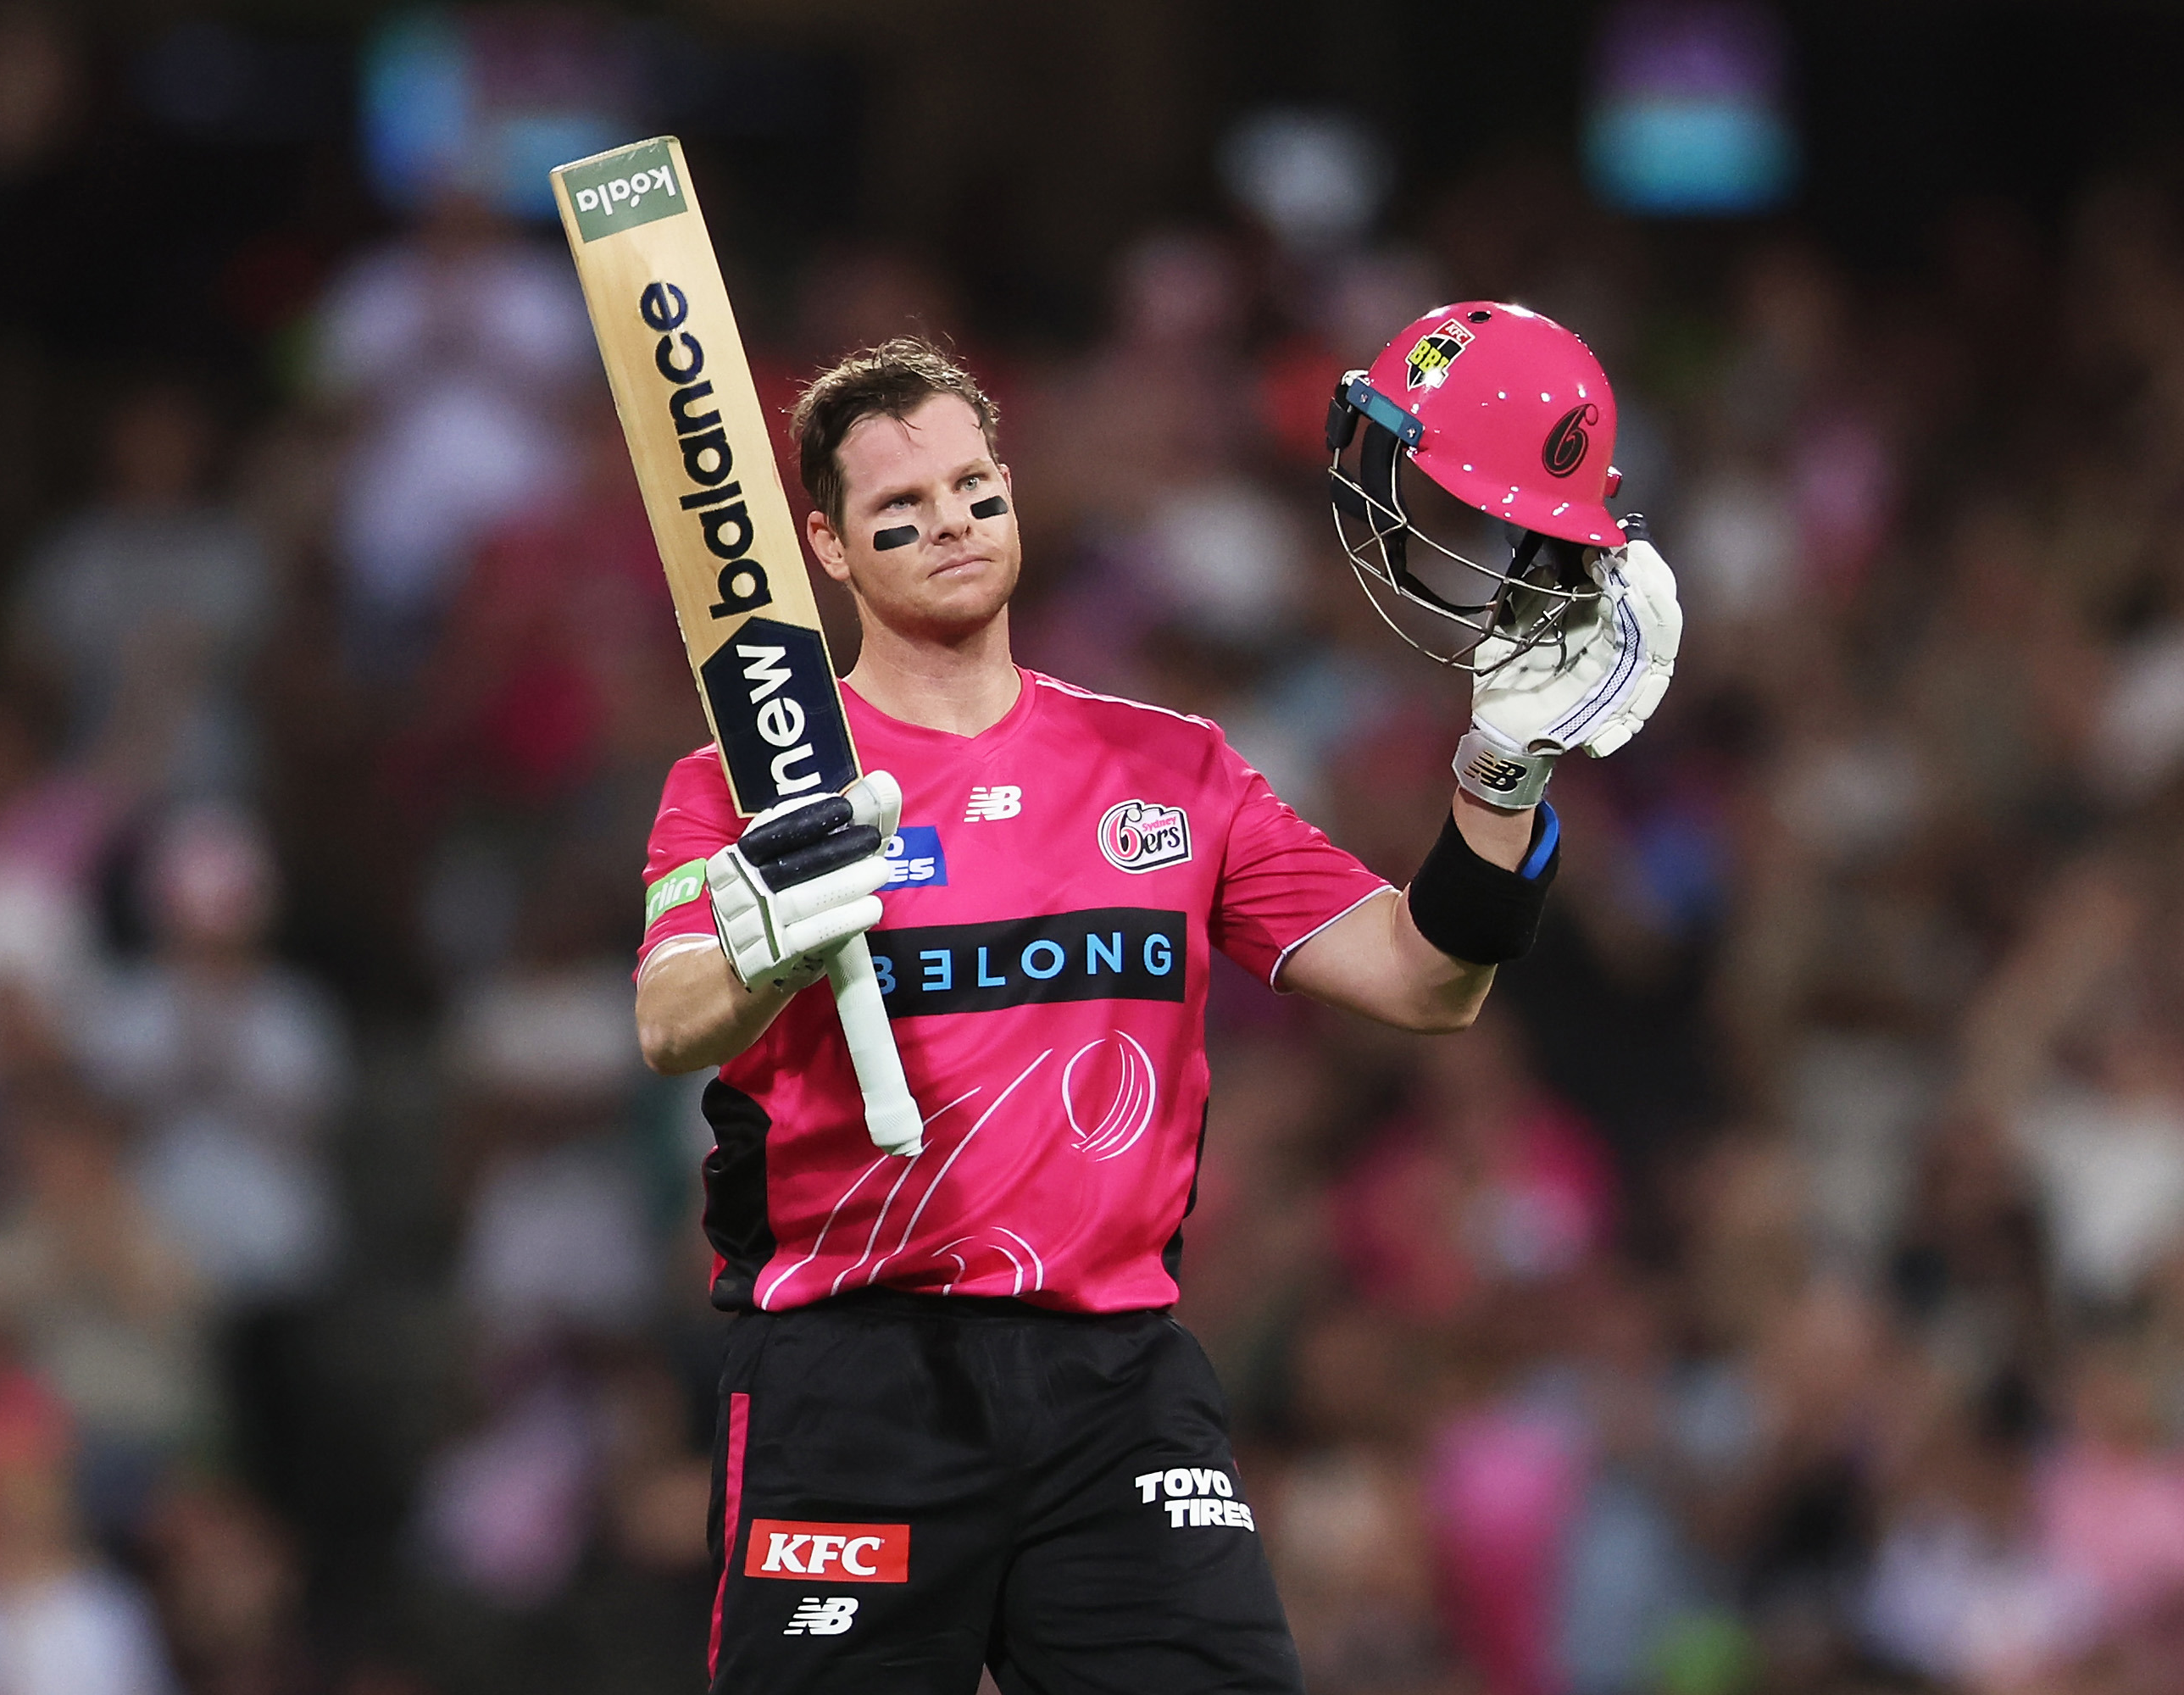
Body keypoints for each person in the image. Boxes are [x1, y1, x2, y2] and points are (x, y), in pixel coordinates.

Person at [634, 315, 1680, 1692]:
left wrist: (1503, 776)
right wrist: (766, 933)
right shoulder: (747, 786)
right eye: (900, 506)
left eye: (973, 488)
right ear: (824, 547)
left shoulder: (1172, 768)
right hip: (855, 1377)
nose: (951, 523)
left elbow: (1427, 981)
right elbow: (667, 1021)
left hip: (1115, 1385)